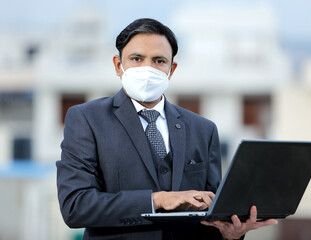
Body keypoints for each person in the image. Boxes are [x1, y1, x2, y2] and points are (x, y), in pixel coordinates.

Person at [56, 18, 277, 240]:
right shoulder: (87, 119)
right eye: (136, 59)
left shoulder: (203, 130)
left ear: (171, 69)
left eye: (159, 61)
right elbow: (76, 206)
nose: (148, 68)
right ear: (118, 65)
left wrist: (230, 234)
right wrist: (157, 200)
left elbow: (211, 216)